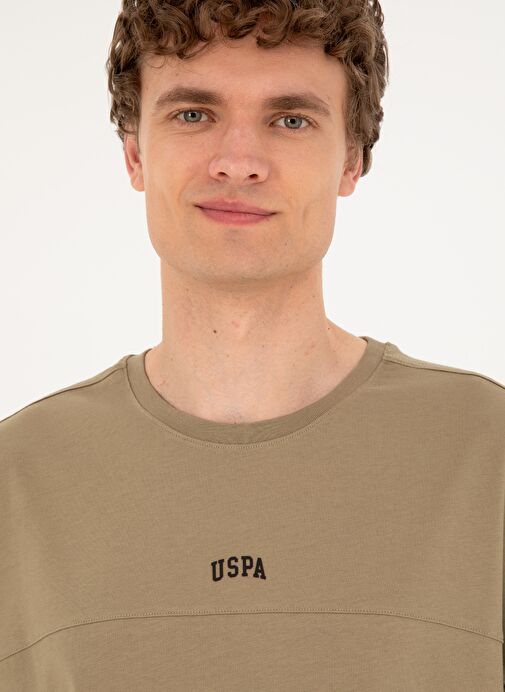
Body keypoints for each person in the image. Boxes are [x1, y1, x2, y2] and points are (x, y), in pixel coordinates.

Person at [1, 1, 504, 689]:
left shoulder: (486, 455)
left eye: (290, 119)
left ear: (351, 160)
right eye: (193, 114)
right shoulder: (19, 478)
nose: (238, 163)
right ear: (134, 152)